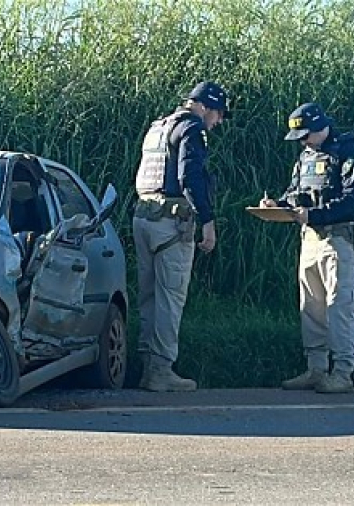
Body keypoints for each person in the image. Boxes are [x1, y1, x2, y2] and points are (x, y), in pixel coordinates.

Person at [260, 102, 354, 394]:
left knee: (340, 307)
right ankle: (316, 369)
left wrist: (314, 215)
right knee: (311, 307)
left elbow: (352, 201)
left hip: (340, 240)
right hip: (309, 238)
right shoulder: (306, 156)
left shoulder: (348, 150)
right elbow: (295, 192)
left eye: (306, 136)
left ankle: (343, 372)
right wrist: (278, 205)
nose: (304, 142)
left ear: (322, 126)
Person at [133, 81, 230, 392]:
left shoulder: (159, 127)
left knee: (148, 296)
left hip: (143, 216)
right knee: (170, 298)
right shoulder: (191, 128)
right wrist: (207, 220)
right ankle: (161, 370)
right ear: (203, 106)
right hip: (170, 223)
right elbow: (189, 176)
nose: (219, 121)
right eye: (218, 113)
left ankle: (146, 366)